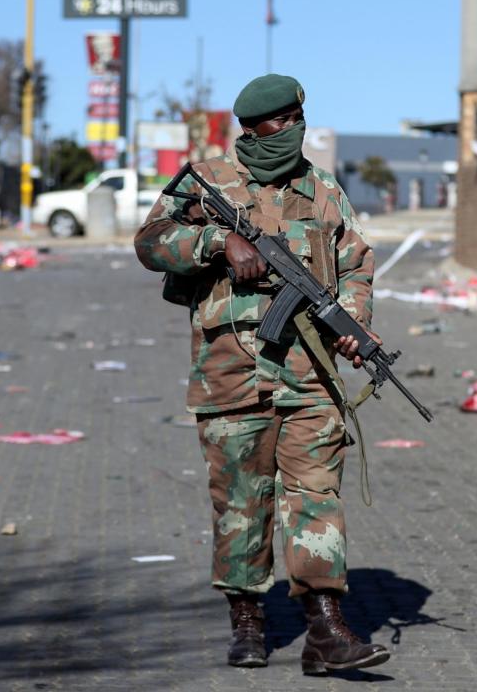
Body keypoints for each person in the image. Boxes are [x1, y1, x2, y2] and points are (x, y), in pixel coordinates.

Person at [134, 74, 390, 675]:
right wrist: (219, 242)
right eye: (285, 121)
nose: (294, 130)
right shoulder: (209, 180)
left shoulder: (324, 190)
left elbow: (355, 264)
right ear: (256, 126)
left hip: (311, 378)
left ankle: (326, 628)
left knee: (315, 496)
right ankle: (247, 620)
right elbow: (150, 243)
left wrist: (352, 324)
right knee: (242, 504)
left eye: (300, 119)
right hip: (229, 374)